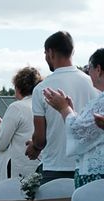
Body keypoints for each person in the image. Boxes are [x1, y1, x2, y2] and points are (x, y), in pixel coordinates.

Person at [25, 31, 98, 184]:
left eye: (45, 53)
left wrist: (34, 146)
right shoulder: (93, 84)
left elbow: (40, 140)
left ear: (50, 52)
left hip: (55, 167)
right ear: (72, 51)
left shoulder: (42, 89)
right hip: (88, 167)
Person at [43, 48, 104, 188]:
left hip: (95, 176)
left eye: (89, 68)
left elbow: (79, 132)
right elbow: (91, 130)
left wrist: (64, 109)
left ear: (98, 69)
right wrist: (73, 113)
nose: (88, 73)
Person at [0, 67, 43, 183]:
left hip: (15, 173)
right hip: (37, 168)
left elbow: (0, 144)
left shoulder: (16, 108)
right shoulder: (43, 106)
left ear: (18, 87)